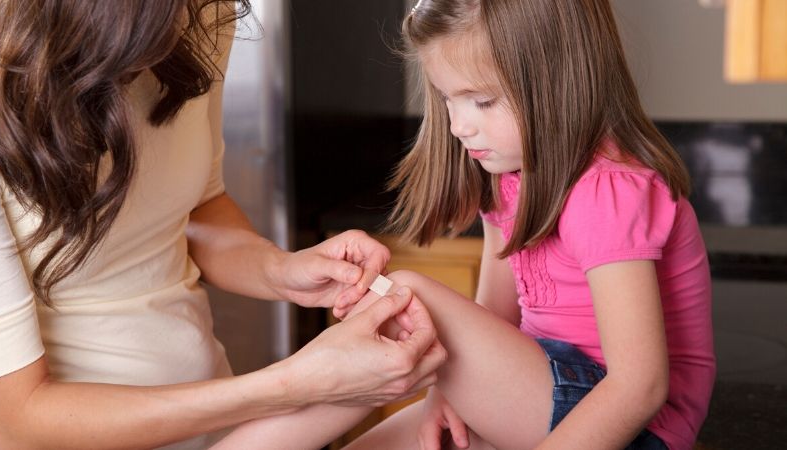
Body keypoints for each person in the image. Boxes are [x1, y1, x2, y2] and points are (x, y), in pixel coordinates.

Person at [201, 0, 717, 449]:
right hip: (544, 386)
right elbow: (493, 319)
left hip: (632, 426)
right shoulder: (509, 175)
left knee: (401, 295)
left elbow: (640, 387)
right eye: (448, 98)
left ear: (558, 79)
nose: (458, 125)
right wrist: (447, 392)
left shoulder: (608, 191)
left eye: (483, 101)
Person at [0, 1, 447, 449]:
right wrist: (294, 383)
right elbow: (17, 422)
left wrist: (278, 269)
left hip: (218, 428)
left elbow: (197, 206)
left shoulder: (194, 16)